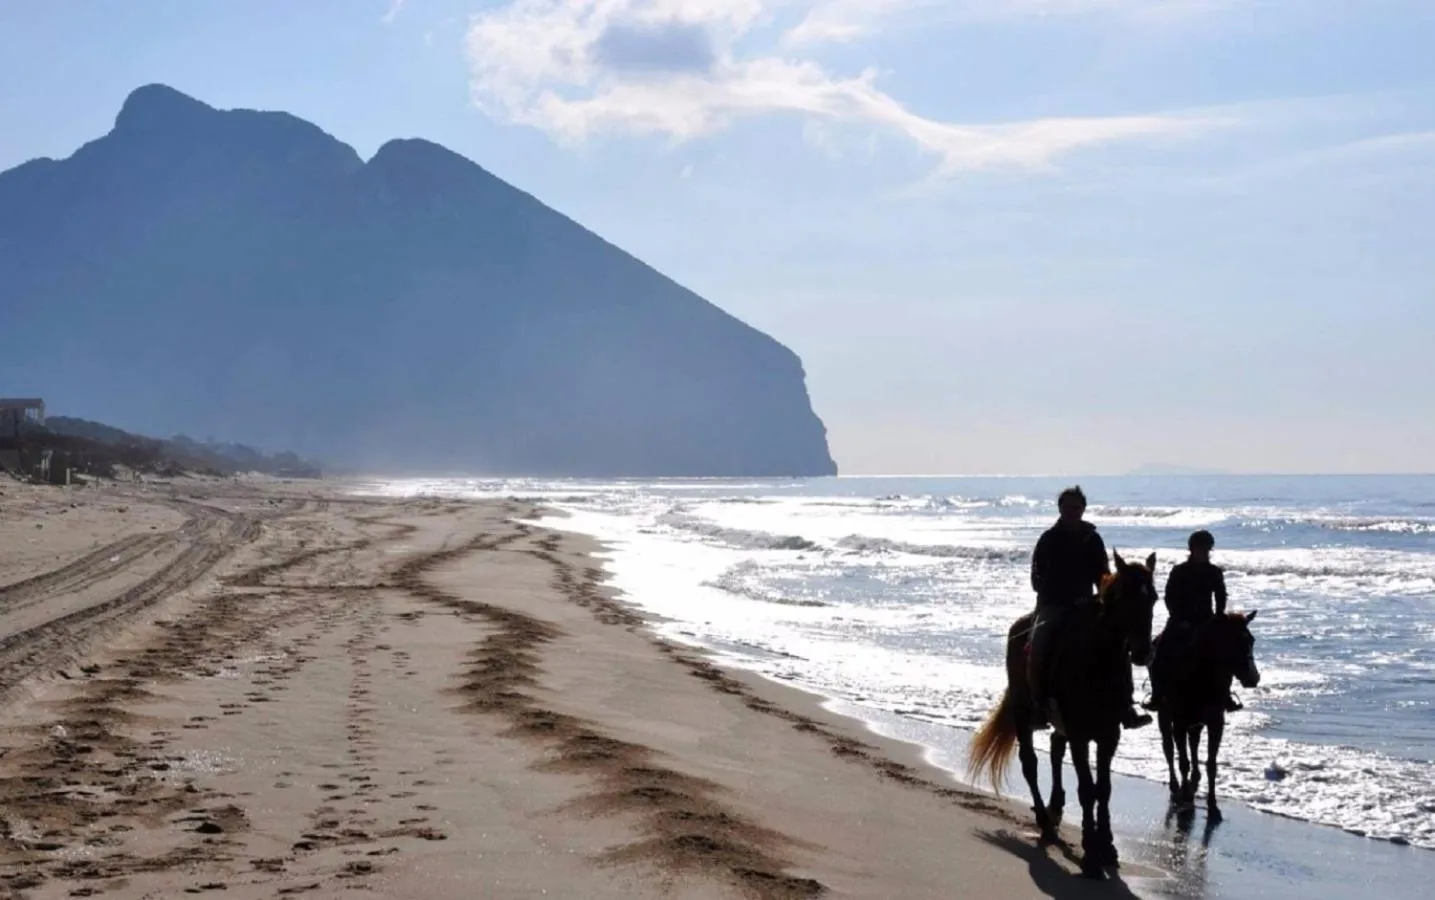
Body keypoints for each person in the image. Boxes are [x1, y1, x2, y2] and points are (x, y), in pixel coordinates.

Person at [1028, 486, 1151, 729]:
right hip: (1054, 605)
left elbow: (1102, 575)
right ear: (1060, 509)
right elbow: (1037, 579)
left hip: (1087, 602)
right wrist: (1063, 595)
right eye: (1067, 507)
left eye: (1077, 507)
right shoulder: (1049, 539)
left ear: (1083, 509)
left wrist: (1101, 594)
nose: (1072, 511)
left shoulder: (1093, 539)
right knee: (1041, 640)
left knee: (1118, 640)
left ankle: (1126, 705)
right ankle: (1039, 705)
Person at [1144, 529, 1241, 712]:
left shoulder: (1214, 572)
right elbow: (1170, 596)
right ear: (1192, 549)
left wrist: (1219, 616)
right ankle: (1157, 694)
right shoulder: (1179, 571)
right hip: (1180, 620)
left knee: (1229, 652)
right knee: (1158, 650)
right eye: (1200, 548)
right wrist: (1178, 618)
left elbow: (1220, 595)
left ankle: (1226, 695)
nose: (1203, 552)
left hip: (1206, 621)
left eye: (1206, 549)